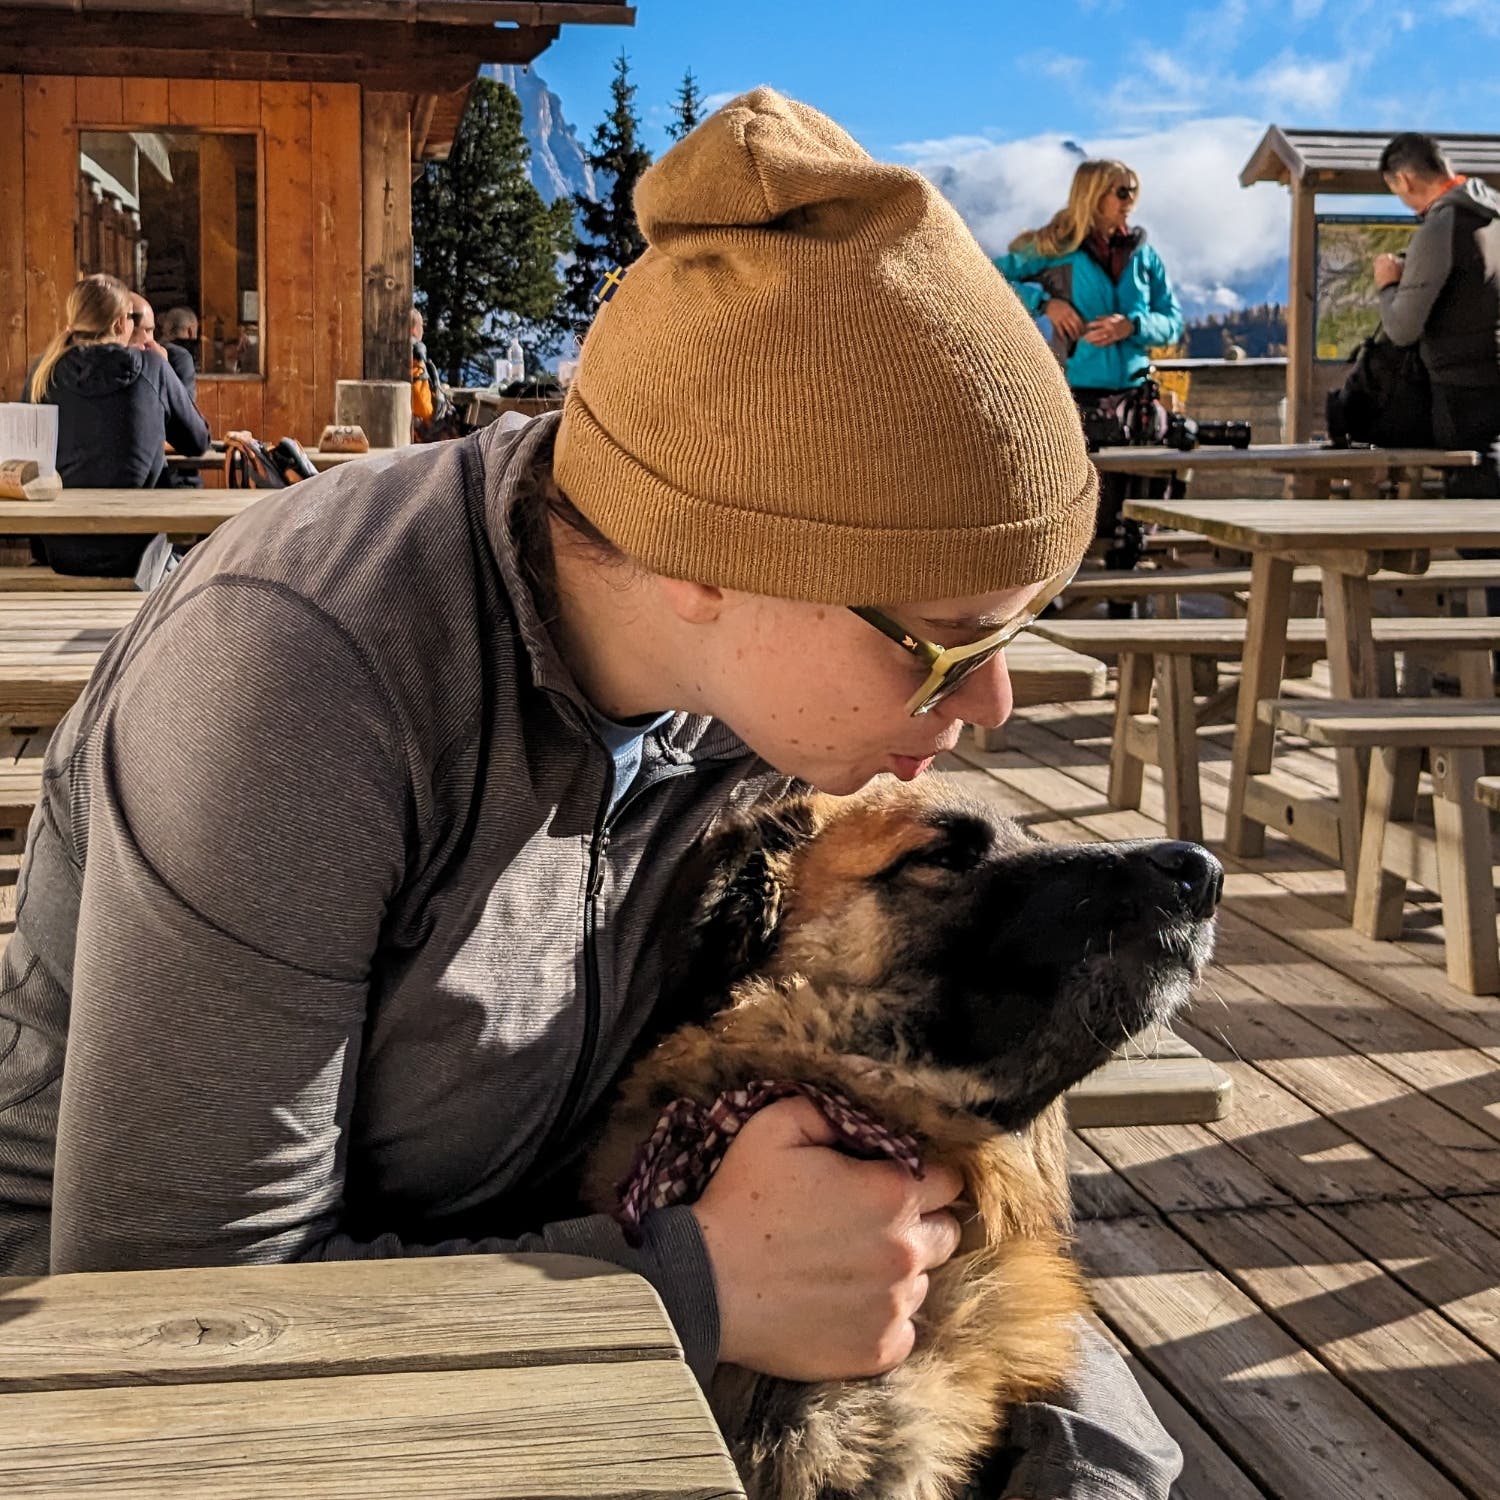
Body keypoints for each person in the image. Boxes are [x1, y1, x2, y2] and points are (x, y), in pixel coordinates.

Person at [0, 93, 1179, 1498]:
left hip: (585, 1314)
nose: (989, 705)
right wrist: (691, 1287)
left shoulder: (756, 715)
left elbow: (946, 1187)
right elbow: (174, 1321)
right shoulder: (303, 681)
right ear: (705, 563)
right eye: (950, 640)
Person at [995, 159, 1184, 575]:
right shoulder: (1054, 248)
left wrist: (1132, 325)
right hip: (1075, 401)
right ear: (1092, 194)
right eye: (1121, 191)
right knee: (1081, 511)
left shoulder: (1143, 253)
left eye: (1134, 189)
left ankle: (1124, 609)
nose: (1130, 200)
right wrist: (1046, 303)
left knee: (1134, 520)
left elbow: (1173, 322)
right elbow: (987, 276)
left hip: (1135, 401)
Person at [24, 273, 210, 576]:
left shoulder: (43, 372)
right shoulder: (152, 368)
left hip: (61, 551)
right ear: (121, 324)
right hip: (139, 553)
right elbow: (197, 442)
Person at [1374, 132, 1500, 502]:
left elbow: (1402, 328)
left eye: (1395, 189)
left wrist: (1388, 285)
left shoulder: (1441, 226)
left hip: (1459, 386)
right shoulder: (1492, 215)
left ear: (1405, 179)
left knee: (1474, 498)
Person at [128, 292, 206, 490]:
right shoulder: (106, 368)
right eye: (145, 331)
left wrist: (163, 368)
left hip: (174, 477)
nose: (150, 340)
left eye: (152, 331)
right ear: (123, 328)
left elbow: (191, 435)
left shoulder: (176, 359)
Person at [410, 306, 454, 440]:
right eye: (422, 326)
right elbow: (423, 406)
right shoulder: (415, 354)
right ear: (414, 329)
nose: (423, 330)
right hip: (421, 432)